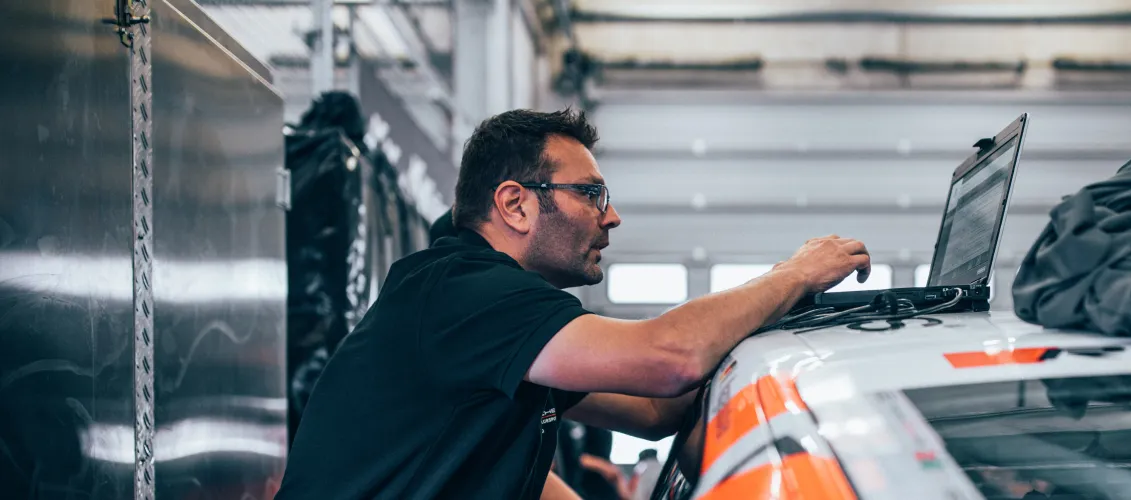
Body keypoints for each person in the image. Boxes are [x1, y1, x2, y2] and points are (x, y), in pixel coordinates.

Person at [274, 108, 871, 500]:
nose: (612, 217)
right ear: (515, 205)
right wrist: (790, 276)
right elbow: (669, 358)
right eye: (591, 194)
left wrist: (775, 319)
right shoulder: (465, 292)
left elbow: (655, 410)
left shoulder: (497, 322)